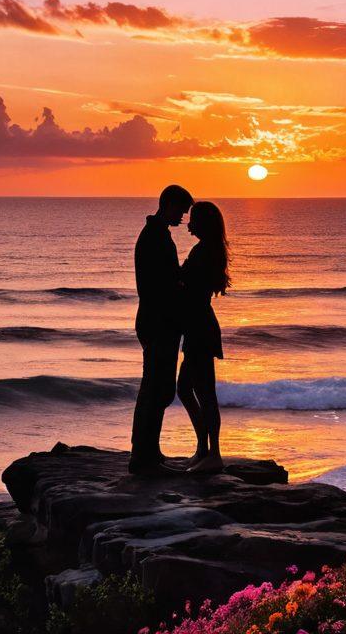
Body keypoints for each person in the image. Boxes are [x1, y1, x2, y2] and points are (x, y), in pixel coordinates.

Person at [130, 184, 194, 474]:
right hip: (158, 320)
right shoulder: (154, 237)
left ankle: (148, 450)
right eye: (180, 209)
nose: (183, 216)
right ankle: (143, 456)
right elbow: (160, 284)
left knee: (159, 388)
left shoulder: (157, 235)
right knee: (156, 388)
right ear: (167, 204)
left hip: (157, 319)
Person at [176, 201, 230, 472]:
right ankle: (203, 448)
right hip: (196, 326)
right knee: (185, 389)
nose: (188, 223)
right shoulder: (206, 249)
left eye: (193, 219)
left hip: (200, 327)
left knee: (205, 392)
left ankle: (214, 455)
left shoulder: (205, 251)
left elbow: (189, 286)